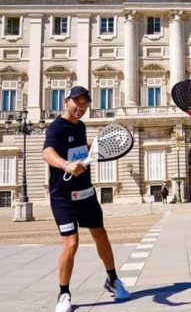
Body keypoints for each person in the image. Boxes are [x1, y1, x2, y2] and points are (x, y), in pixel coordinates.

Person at [42, 86, 130, 312]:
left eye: (85, 104)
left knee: (101, 235)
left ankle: (113, 279)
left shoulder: (79, 126)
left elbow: (79, 147)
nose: (81, 108)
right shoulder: (57, 127)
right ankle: (64, 294)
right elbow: (47, 152)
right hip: (63, 196)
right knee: (72, 243)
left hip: (86, 193)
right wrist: (66, 164)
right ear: (66, 101)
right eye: (77, 103)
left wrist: (99, 145)